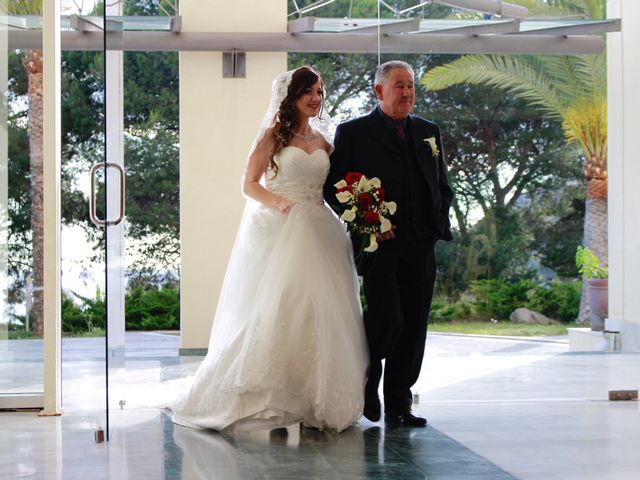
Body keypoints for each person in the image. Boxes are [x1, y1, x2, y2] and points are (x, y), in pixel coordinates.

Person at [170, 66, 368, 432]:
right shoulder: (273, 136)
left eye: (320, 92)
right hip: (282, 226)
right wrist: (277, 203)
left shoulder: (326, 142)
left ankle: (314, 396)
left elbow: (336, 186)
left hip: (320, 228)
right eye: (308, 91)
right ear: (291, 96)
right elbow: (248, 184)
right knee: (279, 307)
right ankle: (270, 394)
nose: (315, 98)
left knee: (323, 308)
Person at [324, 60, 454, 427]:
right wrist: (370, 222)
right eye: (399, 86)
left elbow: (441, 183)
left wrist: (437, 218)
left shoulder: (429, 131)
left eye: (411, 86)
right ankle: (369, 379)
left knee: (414, 326)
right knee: (388, 319)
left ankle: (399, 403)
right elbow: (334, 189)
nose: (407, 93)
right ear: (379, 91)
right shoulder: (352, 133)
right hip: (377, 247)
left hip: (421, 244)